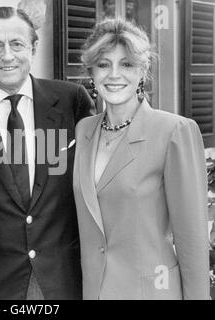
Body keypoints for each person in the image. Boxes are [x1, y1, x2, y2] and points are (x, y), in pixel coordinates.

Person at [0, 7, 94, 299]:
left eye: (17, 44)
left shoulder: (71, 101)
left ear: (33, 47)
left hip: (62, 276)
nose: (7, 55)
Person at [73, 18, 209, 299]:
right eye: (103, 64)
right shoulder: (84, 130)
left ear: (142, 70)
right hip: (94, 292)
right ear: (92, 72)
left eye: (126, 64)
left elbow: (192, 239)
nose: (114, 74)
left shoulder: (174, 131)